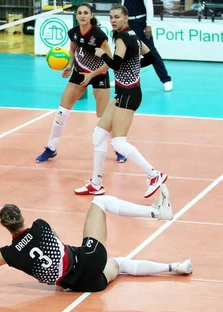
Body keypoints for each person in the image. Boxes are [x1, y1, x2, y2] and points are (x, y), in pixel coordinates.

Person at [0, 184, 192, 292]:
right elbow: (60, 245)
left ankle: (175, 267)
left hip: (81, 284)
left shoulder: (8, 254)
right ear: (22, 217)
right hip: (87, 260)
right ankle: (157, 213)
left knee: (120, 265)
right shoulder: (39, 225)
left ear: (4, 226)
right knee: (102, 202)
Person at [73, 5, 167, 198]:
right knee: (98, 135)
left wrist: (102, 55)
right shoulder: (133, 34)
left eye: (117, 17)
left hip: (129, 94)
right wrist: (132, 65)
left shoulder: (122, 37)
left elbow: (115, 63)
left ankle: (154, 175)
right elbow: (150, 57)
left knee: (119, 142)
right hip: (123, 93)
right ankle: (96, 184)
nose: (113, 20)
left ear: (126, 18)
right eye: (111, 17)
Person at [36, 3, 129, 164]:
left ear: (91, 15)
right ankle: (51, 148)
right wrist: (69, 65)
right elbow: (72, 49)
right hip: (79, 74)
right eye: (79, 13)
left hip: (100, 74)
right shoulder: (73, 33)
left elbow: (110, 60)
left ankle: (118, 149)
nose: (82, 16)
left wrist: (92, 74)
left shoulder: (98, 35)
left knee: (103, 117)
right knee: (61, 113)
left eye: (86, 13)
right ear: (76, 15)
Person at [122, 0, 173, 91]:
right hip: (127, 22)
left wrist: (149, 24)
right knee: (125, 52)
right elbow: (123, 5)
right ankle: (122, 78)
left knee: (151, 52)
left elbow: (149, 7)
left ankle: (166, 79)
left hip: (140, 22)